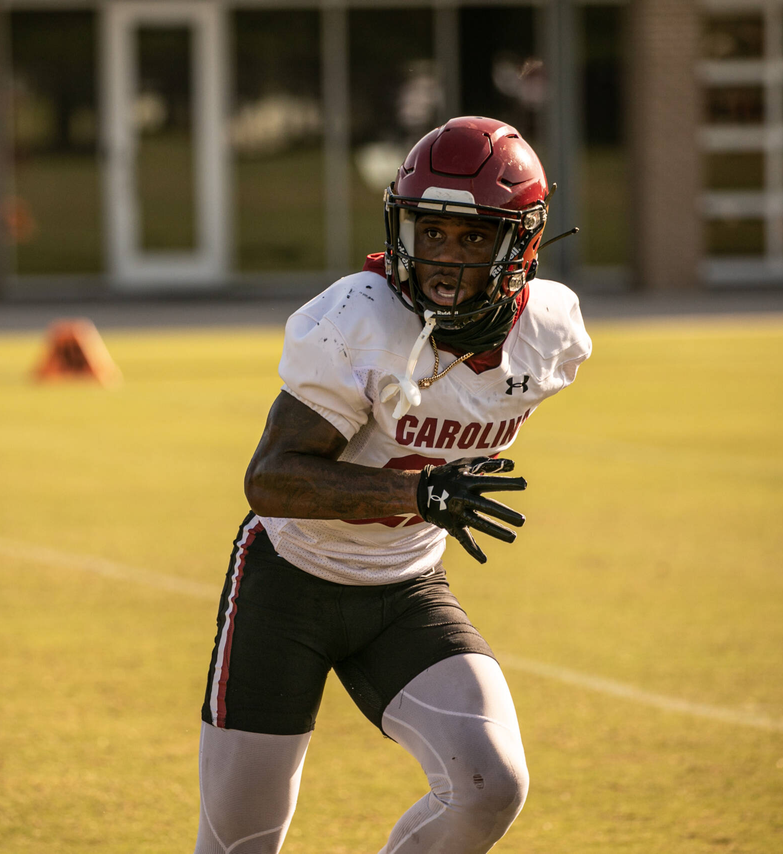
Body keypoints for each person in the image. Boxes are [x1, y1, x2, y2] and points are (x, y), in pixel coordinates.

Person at [194, 116, 591, 854]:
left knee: (489, 784)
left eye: (474, 238)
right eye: (430, 231)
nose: (444, 257)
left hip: (405, 588)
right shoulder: (360, 316)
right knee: (237, 848)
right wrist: (417, 495)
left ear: (522, 246)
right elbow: (271, 478)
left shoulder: (552, 332)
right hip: (289, 586)